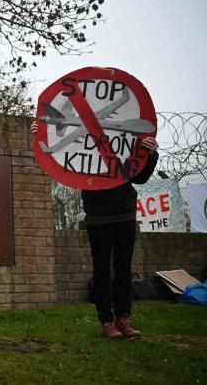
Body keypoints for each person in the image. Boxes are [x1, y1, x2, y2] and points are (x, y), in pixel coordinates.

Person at [31, 121, 159, 339]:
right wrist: (42, 134)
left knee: (123, 268)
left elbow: (140, 177)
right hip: (98, 215)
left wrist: (151, 154)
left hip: (125, 212)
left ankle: (123, 318)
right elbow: (61, 162)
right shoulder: (82, 141)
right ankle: (107, 321)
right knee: (101, 270)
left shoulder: (124, 139)